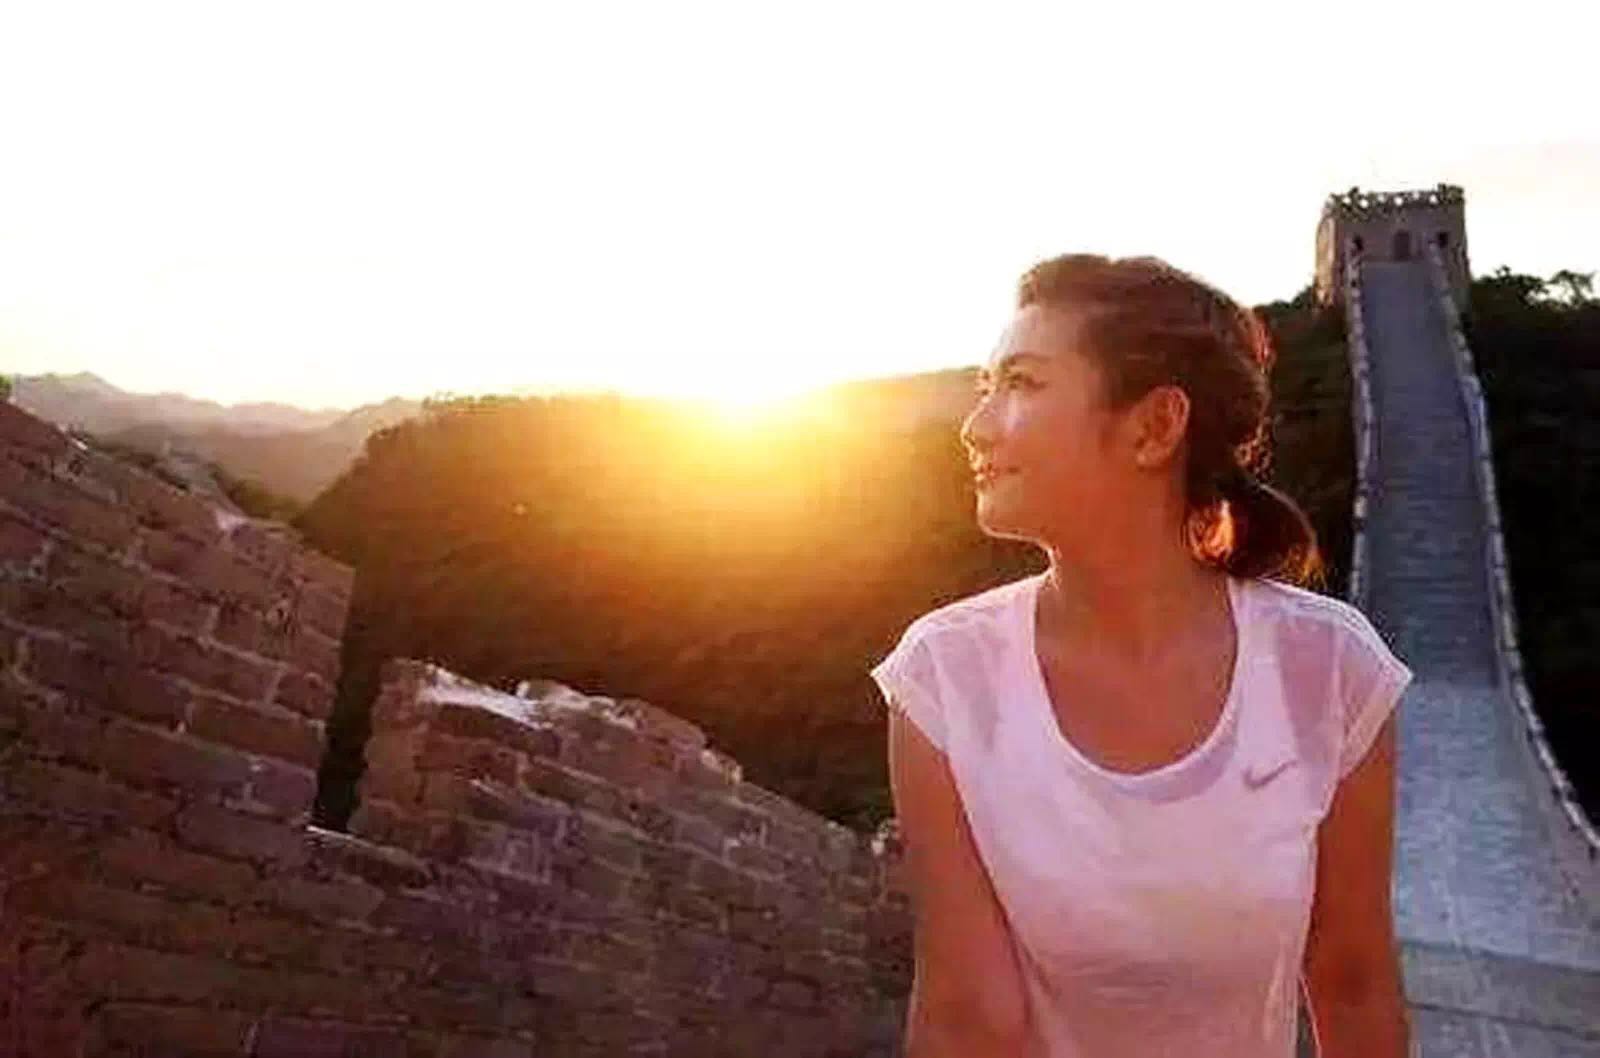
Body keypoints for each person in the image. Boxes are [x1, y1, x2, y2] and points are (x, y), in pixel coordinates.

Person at [870, 253, 1416, 1057]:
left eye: (1021, 383)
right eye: (986, 386)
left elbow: (1352, 978)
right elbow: (967, 1015)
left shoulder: (1328, 670)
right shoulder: (946, 679)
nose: (975, 425)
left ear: (1155, 427)